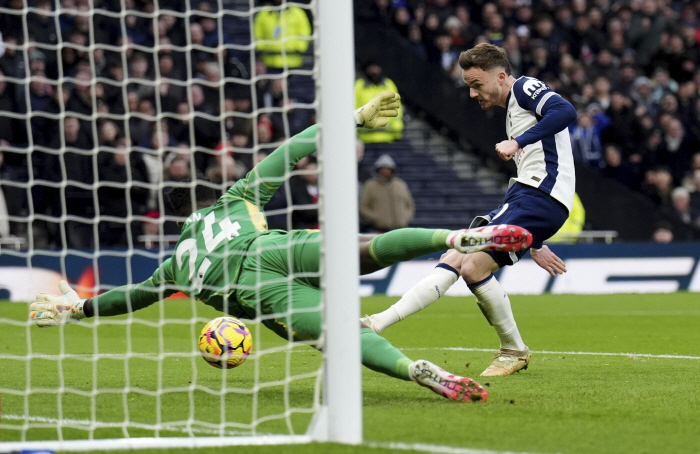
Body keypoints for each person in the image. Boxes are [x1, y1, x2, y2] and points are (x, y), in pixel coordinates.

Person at [29, 92, 533, 402]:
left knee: (343, 333)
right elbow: (291, 150)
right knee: (369, 249)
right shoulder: (237, 198)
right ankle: (457, 238)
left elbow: (131, 296)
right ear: (211, 194)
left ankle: (417, 371)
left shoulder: (175, 265)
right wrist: (355, 117)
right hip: (277, 249)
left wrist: (80, 310)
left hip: (259, 291)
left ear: (181, 216)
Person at [363, 43, 576, 377]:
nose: (473, 93)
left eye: (477, 84)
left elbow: (565, 111)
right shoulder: (512, 110)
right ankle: (374, 323)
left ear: (502, 76)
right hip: (527, 198)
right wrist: (535, 241)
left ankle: (513, 350)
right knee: (455, 256)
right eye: (469, 86)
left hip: (540, 196)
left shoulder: (523, 87)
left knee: (473, 266)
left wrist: (516, 142)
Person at [359, 154, 415, 232]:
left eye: (388, 168)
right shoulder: (370, 185)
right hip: (380, 230)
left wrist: (405, 217)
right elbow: (363, 207)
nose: (385, 171)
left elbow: (410, 204)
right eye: (383, 168)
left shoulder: (400, 184)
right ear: (378, 170)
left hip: (400, 229)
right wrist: (376, 217)